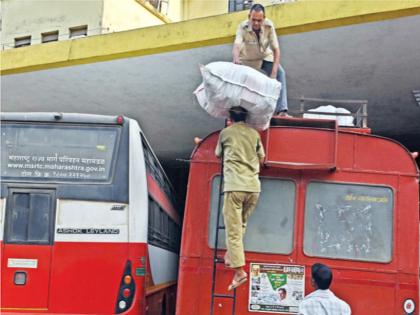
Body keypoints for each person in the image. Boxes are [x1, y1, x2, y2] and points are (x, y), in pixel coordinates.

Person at [215, 106, 265, 291]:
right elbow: (262, 157)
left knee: (233, 231)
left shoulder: (225, 134)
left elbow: (218, 154)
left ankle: (239, 272)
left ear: (230, 117)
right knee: (241, 224)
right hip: (253, 188)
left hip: (235, 187)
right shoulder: (254, 134)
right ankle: (231, 255)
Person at [232, 3, 289, 116]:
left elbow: (276, 50)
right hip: (247, 60)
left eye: (259, 20)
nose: (256, 23)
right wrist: (236, 59)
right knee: (239, 82)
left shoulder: (269, 26)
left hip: (264, 57)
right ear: (249, 17)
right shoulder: (242, 27)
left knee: (280, 73)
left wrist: (273, 73)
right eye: (253, 20)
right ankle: (238, 111)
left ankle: (282, 110)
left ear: (264, 18)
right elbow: (236, 46)